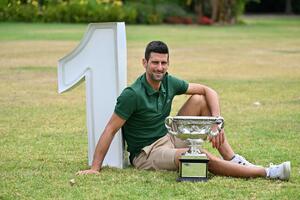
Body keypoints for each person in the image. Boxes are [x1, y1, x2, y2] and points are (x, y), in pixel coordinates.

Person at [77, 41, 291, 181]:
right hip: (147, 152)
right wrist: (96, 167)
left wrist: (217, 122)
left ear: (168, 64)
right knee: (198, 156)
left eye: (163, 63)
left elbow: (208, 90)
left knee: (199, 99)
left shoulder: (169, 81)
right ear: (144, 63)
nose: (159, 68)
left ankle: (233, 158)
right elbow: (110, 129)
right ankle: (268, 172)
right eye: (154, 63)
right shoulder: (132, 94)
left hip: (168, 136)